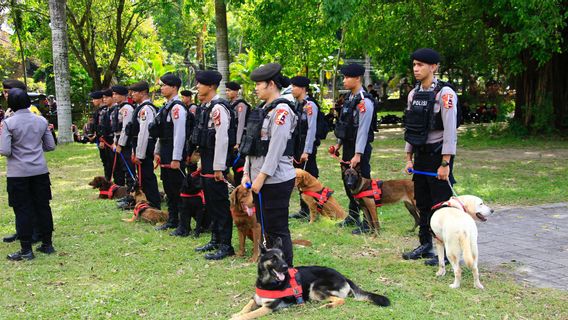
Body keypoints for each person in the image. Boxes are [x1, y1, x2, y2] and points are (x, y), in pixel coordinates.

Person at [402, 48, 458, 266]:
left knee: (441, 205)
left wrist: (446, 163)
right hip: (420, 156)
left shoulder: (445, 95)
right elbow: (411, 128)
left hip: (438, 155)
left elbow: (451, 131)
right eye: (414, 64)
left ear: (433, 67)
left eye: (421, 65)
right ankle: (425, 245)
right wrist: (408, 157)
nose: (416, 69)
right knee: (423, 203)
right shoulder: (413, 94)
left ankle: (446, 251)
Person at [240, 63, 297, 266]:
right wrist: (247, 174)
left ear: (271, 84)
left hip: (276, 180)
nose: (255, 88)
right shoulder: (263, 109)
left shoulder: (282, 111)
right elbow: (251, 145)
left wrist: (261, 177)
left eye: (258, 84)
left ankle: (287, 273)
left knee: (278, 229)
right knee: (266, 228)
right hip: (258, 180)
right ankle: (274, 269)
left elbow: (275, 149)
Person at [0, 88, 56, 260]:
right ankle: (47, 244)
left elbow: (5, 150)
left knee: (22, 209)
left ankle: (26, 249)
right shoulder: (41, 120)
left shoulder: (9, 123)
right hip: (40, 170)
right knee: (43, 206)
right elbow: (50, 146)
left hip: (18, 173)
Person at [192, 70, 235, 259]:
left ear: (210, 86)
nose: (197, 87)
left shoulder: (218, 108)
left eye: (200, 84)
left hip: (216, 164)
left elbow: (222, 139)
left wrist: (219, 167)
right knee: (210, 202)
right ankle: (215, 239)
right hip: (208, 161)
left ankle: (226, 245)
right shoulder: (206, 107)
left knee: (219, 204)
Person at [332, 63, 376, 235]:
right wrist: (338, 145)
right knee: (348, 181)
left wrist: (358, 154)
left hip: (360, 148)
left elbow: (363, 130)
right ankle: (353, 215)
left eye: (346, 77)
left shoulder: (364, 101)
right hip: (349, 146)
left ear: (357, 78)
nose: (344, 80)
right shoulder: (350, 98)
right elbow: (345, 125)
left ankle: (368, 221)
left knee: (362, 183)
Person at [153, 73, 187, 231]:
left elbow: (179, 134)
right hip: (165, 152)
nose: (162, 88)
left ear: (174, 88)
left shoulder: (177, 108)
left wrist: (176, 158)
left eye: (165, 85)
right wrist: (157, 151)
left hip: (174, 154)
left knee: (177, 189)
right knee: (168, 188)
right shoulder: (165, 107)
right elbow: (162, 133)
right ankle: (172, 219)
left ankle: (182, 222)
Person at [289, 76, 320, 220]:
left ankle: (315, 209)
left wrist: (307, 150)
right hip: (297, 147)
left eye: (294, 86)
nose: (291, 89)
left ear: (302, 88)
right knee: (299, 179)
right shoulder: (297, 104)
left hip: (306, 148)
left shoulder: (310, 105)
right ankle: (304, 209)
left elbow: (311, 129)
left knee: (310, 177)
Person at [128, 81, 161, 209]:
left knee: (147, 176)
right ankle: (146, 201)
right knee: (143, 175)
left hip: (145, 145)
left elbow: (144, 133)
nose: (132, 94)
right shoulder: (140, 107)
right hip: (139, 144)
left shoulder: (146, 109)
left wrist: (139, 154)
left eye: (135, 92)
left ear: (143, 93)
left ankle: (153, 203)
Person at [225, 81, 250, 186]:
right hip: (233, 137)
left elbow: (241, 124)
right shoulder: (231, 104)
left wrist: (238, 142)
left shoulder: (241, 104)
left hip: (241, 138)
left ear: (236, 91)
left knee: (239, 165)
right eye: (226, 90)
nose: (227, 93)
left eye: (229, 90)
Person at [112, 85, 136, 192]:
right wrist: (114, 142)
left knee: (129, 168)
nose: (114, 96)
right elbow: (116, 129)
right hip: (118, 140)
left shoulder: (127, 108)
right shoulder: (118, 108)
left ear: (124, 95)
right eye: (113, 94)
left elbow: (126, 129)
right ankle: (128, 192)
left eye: (117, 94)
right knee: (124, 168)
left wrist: (120, 144)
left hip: (126, 143)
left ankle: (132, 192)